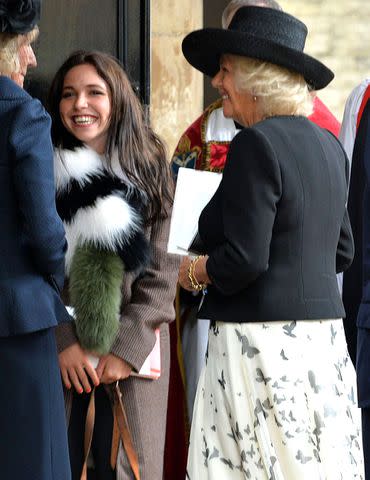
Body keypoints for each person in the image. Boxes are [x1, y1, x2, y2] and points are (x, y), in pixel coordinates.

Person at [178, 6, 363, 479]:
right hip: (322, 350)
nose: (217, 82)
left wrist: (193, 272)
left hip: (259, 349)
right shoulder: (327, 146)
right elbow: (343, 251)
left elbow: (244, 258)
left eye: (225, 71)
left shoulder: (254, 145)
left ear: (254, 78)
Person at [47, 50, 179, 480]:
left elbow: (163, 273)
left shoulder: (151, 170)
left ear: (117, 99)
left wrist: (125, 348)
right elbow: (30, 270)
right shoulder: (41, 169)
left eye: (93, 92)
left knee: (126, 468)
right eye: (69, 94)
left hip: (132, 366)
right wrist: (63, 341)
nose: (79, 104)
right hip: (62, 361)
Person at [0, 1, 72, 479]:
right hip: (17, 321)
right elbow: (46, 232)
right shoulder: (22, 114)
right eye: (25, 46)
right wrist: (57, 276)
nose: (31, 60)